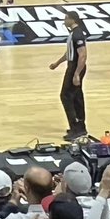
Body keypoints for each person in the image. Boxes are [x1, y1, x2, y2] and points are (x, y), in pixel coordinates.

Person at [49, 11, 88, 140]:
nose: (64, 21)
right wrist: (57, 63)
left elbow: (82, 55)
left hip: (75, 67)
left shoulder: (77, 35)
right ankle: (80, 127)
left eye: (66, 19)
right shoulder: (73, 34)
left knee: (66, 96)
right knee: (76, 96)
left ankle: (76, 128)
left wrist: (76, 73)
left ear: (73, 20)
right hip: (73, 66)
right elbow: (69, 53)